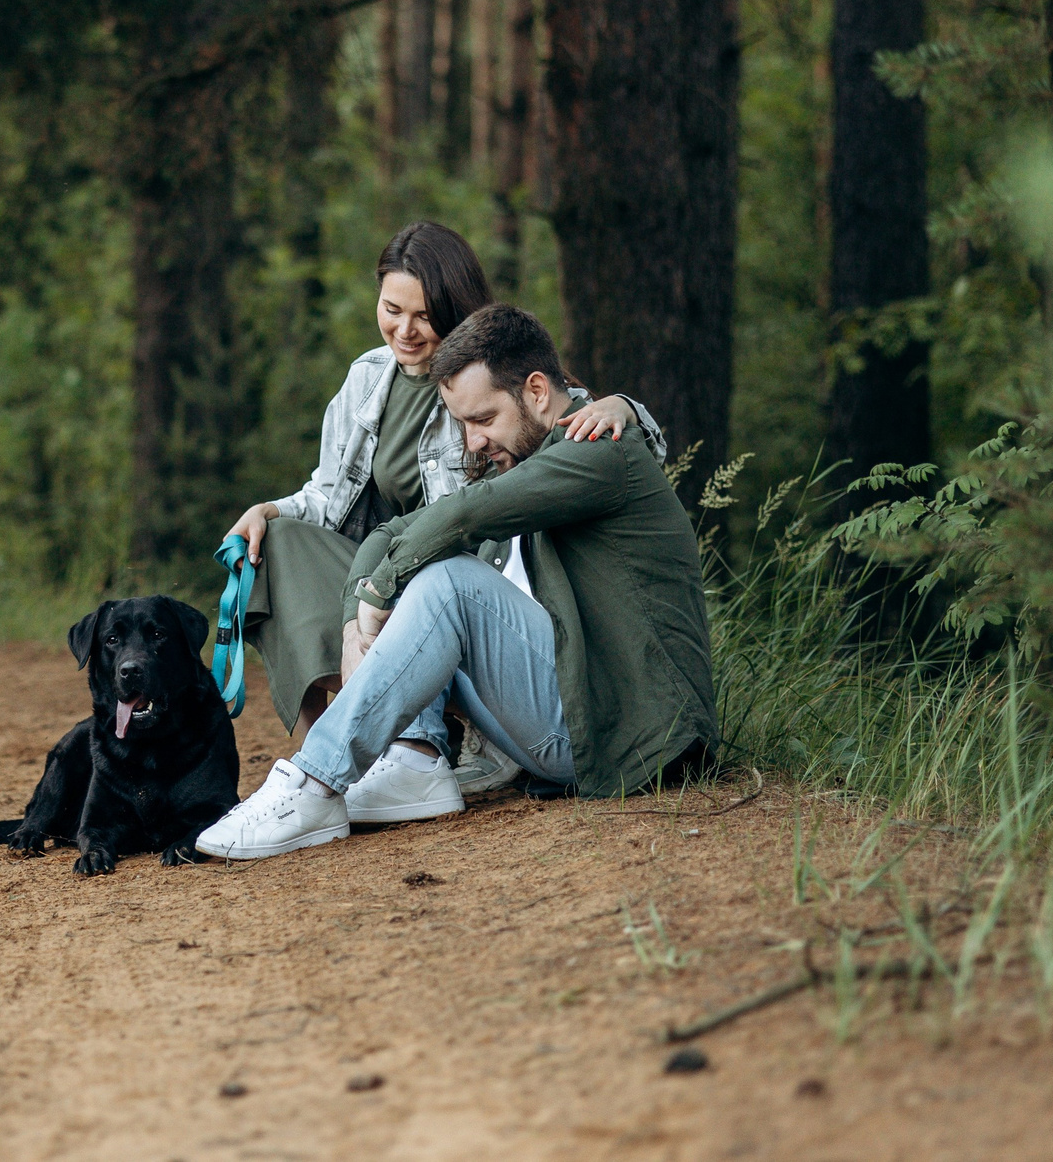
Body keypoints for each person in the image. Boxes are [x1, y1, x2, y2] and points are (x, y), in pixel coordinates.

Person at [195, 303, 715, 859]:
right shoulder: (528, 453)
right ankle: (414, 761)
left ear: (537, 391)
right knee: (427, 570)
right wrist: (355, 616)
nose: (471, 443)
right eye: (463, 424)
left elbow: (465, 515)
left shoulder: (601, 448)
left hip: (638, 740)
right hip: (568, 725)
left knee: (450, 582)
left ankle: (316, 781)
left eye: (483, 419)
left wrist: (378, 590)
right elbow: (397, 530)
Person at [224, 224, 664, 799]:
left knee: (431, 576)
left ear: (455, 310)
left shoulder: (482, 379)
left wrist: (625, 406)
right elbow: (329, 496)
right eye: (391, 309)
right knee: (276, 543)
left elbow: (571, 429)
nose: (404, 331)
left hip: (458, 572)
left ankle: (433, 744)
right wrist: (270, 510)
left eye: (424, 316)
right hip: (397, 554)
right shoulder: (366, 377)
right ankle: (321, 756)